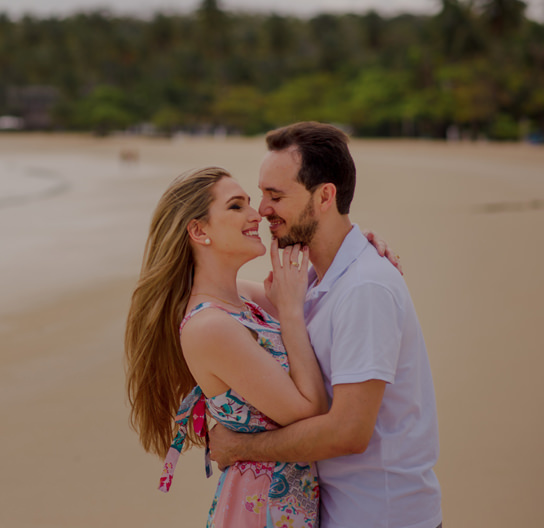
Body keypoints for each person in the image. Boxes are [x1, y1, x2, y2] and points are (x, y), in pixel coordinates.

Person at [124, 166, 399, 527]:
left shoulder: (242, 300)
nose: (257, 215)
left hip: (289, 500)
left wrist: (357, 246)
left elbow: (319, 290)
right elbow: (309, 410)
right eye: (237, 207)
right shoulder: (209, 326)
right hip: (260, 507)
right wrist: (289, 314)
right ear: (198, 230)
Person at [209, 122, 442, 528]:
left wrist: (240, 447)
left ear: (325, 197)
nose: (262, 210)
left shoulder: (364, 288)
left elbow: (348, 432)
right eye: (262, 194)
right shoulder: (313, 280)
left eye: (275, 196)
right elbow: (218, 295)